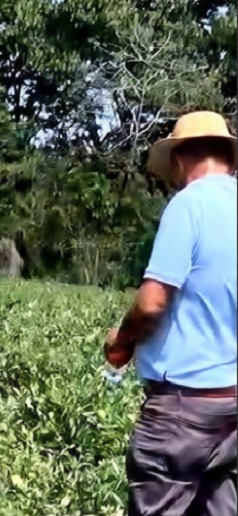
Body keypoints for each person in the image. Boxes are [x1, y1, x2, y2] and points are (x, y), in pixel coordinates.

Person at [104, 110, 237, 515]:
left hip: (183, 408)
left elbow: (152, 302)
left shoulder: (189, 204)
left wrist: (121, 340)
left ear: (179, 159)